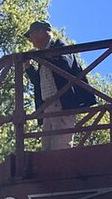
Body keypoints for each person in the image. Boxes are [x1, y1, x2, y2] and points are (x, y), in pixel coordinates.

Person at [24, 21, 96, 151]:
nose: (31, 41)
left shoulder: (59, 46)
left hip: (62, 104)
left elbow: (64, 65)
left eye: (32, 36)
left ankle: (62, 169)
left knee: (60, 147)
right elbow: (39, 82)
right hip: (47, 107)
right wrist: (28, 66)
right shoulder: (43, 54)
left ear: (42, 33)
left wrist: (40, 57)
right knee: (46, 148)